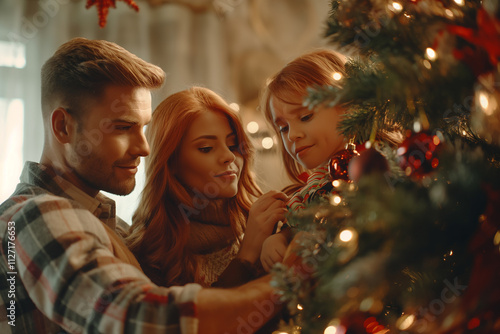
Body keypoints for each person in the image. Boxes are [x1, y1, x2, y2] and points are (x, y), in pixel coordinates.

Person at [0, 37, 284, 334]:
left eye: (143, 128)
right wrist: (292, 277)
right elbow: (144, 319)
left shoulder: (115, 228)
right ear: (63, 127)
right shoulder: (36, 215)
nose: (144, 148)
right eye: (123, 127)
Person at [126, 87, 288, 288]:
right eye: (206, 148)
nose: (229, 156)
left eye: (232, 144)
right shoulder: (149, 249)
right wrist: (247, 255)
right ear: (170, 162)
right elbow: (199, 319)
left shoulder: (263, 220)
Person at [258, 49, 401, 271]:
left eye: (305, 117)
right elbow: (304, 219)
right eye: (283, 128)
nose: (292, 135)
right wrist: (279, 239)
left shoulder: (381, 164)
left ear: (350, 107)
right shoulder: (310, 188)